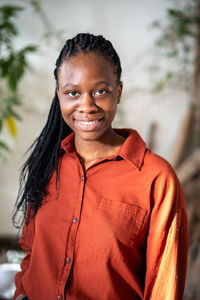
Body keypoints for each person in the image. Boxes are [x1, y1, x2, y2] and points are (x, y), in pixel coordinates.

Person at [13, 33, 188, 300]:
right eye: (72, 93)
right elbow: (31, 252)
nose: (87, 105)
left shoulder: (156, 178)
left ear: (118, 91)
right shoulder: (49, 162)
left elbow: (164, 286)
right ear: (59, 95)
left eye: (100, 91)